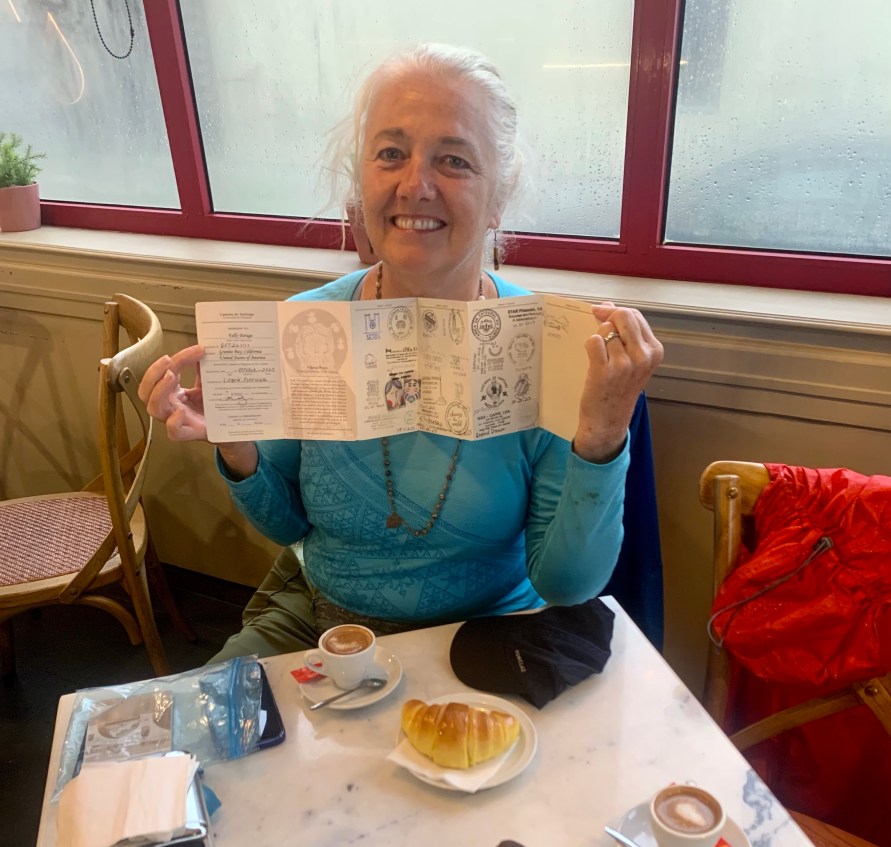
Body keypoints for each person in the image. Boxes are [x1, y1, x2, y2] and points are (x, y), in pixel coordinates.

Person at [138, 43, 664, 662]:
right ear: (361, 180)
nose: (415, 185)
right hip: (328, 627)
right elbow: (289, 526)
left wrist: (601, 438)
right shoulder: (308, 327)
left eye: (454, 160)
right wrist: (237, 446)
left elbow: (566, 585)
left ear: (499, 197)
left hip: (489, 644)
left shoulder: (545, 345)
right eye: (391, 154)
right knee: (200, 721)